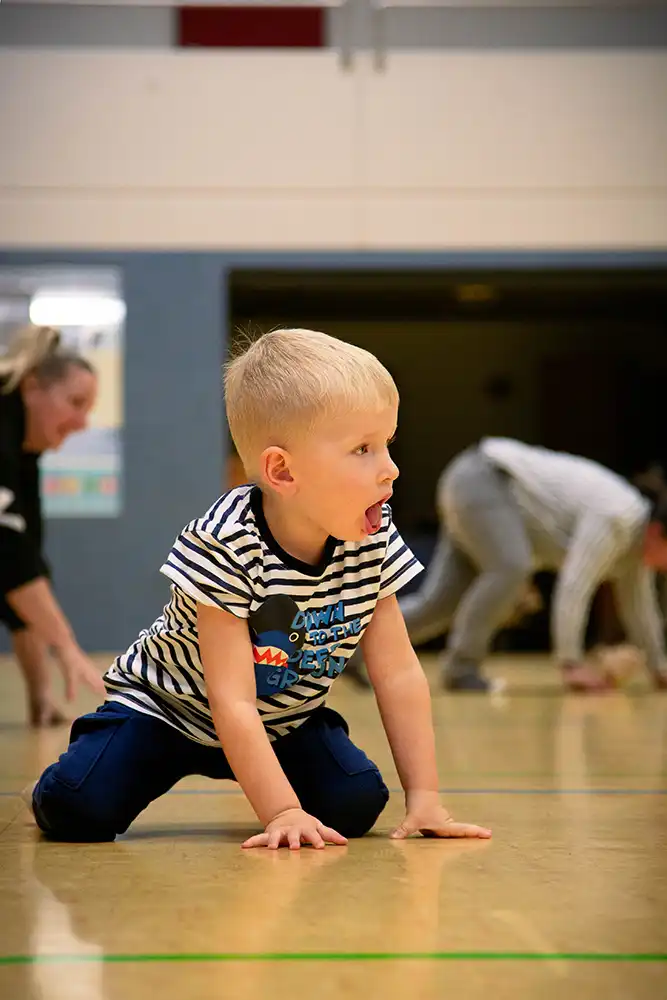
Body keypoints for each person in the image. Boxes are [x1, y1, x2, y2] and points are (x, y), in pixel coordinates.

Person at [30, 329, 491, 848]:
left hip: (281, 721)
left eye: (387, 443)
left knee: (355, 804)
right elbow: (231, 700)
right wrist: (282, 812)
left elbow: (398, 672)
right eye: (363, 448)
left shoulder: (371, 536)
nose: (391, 468)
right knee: (76, 809)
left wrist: (425, 796)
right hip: (169, 711)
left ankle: (282, 776)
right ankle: (64, 780)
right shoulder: (225, 541)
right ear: (282, 471)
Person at [397, 438, 667, 693]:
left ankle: (369, 642)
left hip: (469, 480)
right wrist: (571, 662)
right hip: (484, 478)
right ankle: (461, 667)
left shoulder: (636, 544)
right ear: (656, 533)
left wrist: (659, 667)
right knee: (511, 568)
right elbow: (575, 585)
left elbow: (640, 607)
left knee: (440, 603)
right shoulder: (618, 517)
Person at [0, 324, 105, 725]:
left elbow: (23, 571)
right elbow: (8, 549)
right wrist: (66, 646)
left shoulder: (23, 455)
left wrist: (41, 696)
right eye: (75, 403)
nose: (82, 422)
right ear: (31, 387)